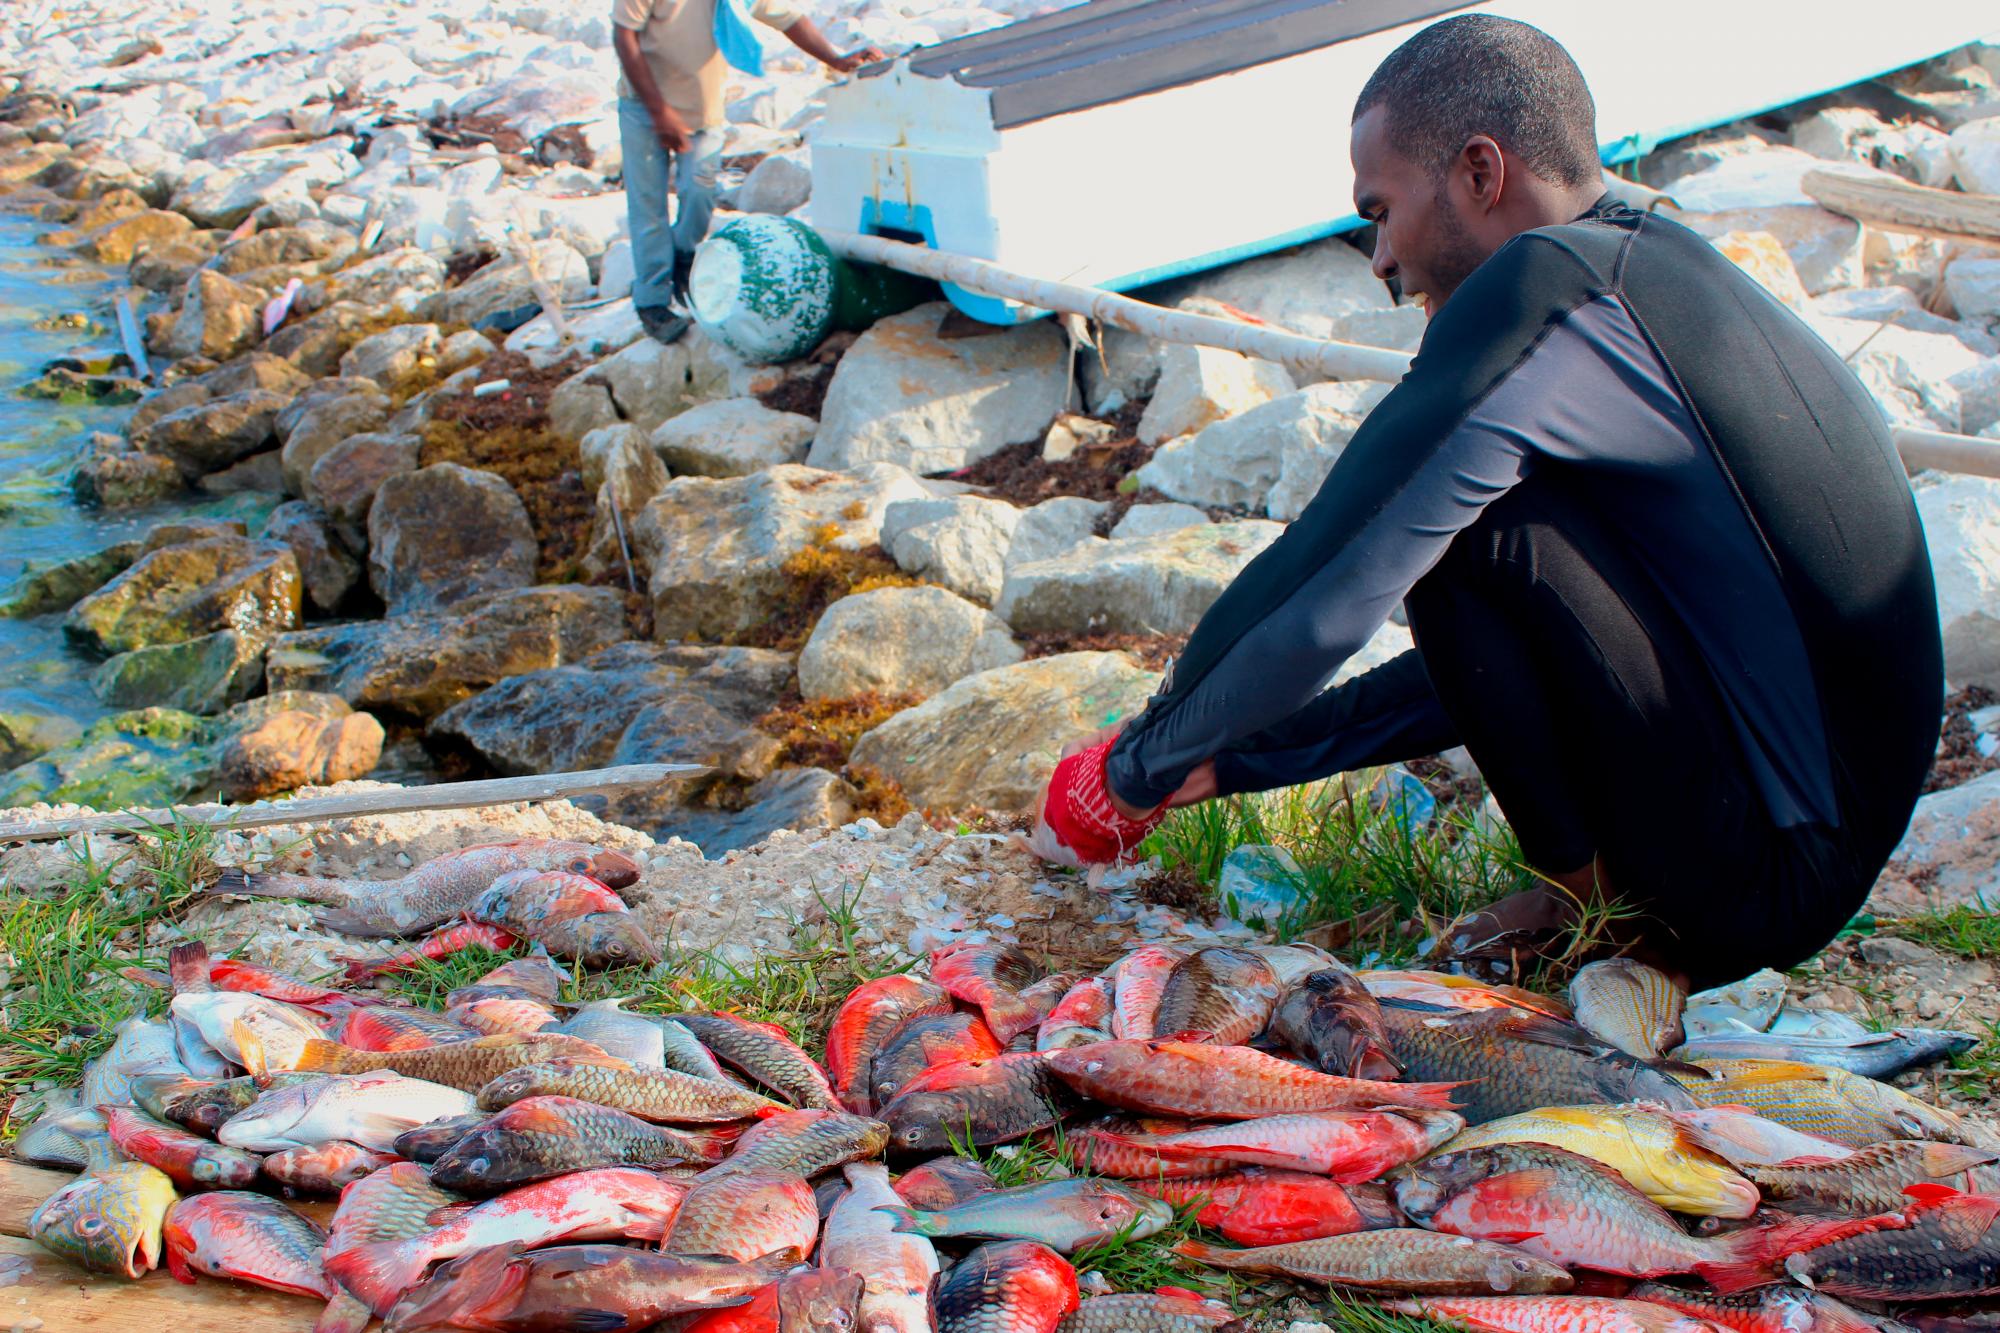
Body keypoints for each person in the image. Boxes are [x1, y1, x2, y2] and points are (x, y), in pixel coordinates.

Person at [1031, 14, 1943, 991]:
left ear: (1478, 171)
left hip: (1758, 869)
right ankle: (1603, 899)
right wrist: (1229, 758)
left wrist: (1132, 767)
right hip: (1804, 848)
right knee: (1477, 527)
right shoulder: (1647, 270)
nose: (1377, 258)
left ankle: (1605, 927)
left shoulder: (1544, 288)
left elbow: (1334, 574)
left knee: (1454, 526)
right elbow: (1530, 643)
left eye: (1379, 211)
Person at [611, 0, 881, 343]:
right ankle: (652, 302)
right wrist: (658, 111)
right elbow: (624, 35)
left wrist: (837, 60)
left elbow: (789, 18)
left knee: (701, 193)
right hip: (643, 108)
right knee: (648, 206)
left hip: (702, 111)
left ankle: (681, 254)